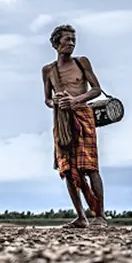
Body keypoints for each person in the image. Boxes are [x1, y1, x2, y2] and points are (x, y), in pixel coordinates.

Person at [41, 24, 107, 228]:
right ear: (55, 43)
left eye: (73, 40)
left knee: (90, 167)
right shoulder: (48, 70)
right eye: (66, 39)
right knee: (68, 169)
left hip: (83, 118)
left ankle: (100, 216)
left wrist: (76, 100)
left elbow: (96, 90)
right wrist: (58, 102)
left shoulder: (82, 63)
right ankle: (81, 217)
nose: (71, 43)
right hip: (62, 122)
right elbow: (47, 100)